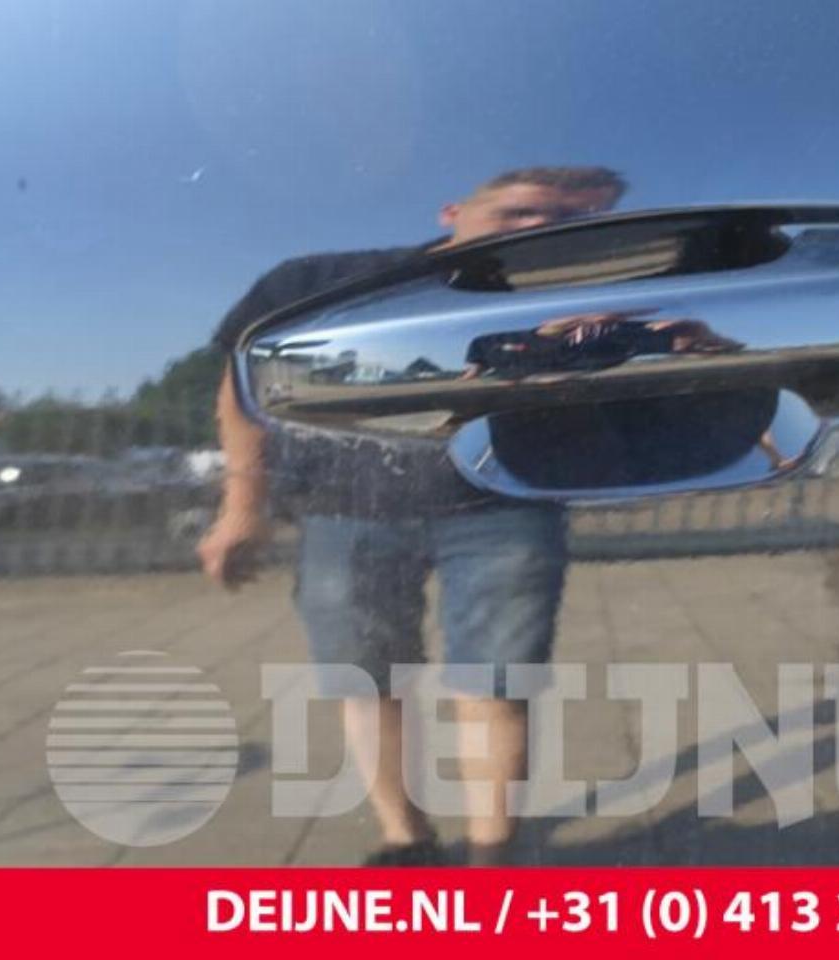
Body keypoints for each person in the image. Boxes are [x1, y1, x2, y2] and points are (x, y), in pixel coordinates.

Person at [197, 166, 627, 866]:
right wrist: (242, 508)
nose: (541, 229)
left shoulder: (587, 307)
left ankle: (491, 857)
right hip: (348, 506)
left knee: (496, 685)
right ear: (452, 211)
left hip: (503, 506)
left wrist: (600, 350)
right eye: (520, 212)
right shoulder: (326, 281)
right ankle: (406, 840)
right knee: (367, 683)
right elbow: (246, 390)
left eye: (568, 221)